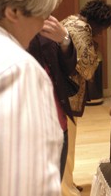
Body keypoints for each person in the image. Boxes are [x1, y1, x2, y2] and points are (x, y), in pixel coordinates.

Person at [0, 0, 63, 195]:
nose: (42, 26)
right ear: (13, 11)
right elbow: (24, 187)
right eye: (42, 15)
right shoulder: (16, 69)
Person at [61, 0, 111, 196]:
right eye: (103, 28)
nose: (102, 32)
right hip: (67, 94)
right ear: (99, 22)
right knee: (67, 144)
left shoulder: (69, 21)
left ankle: (68, 183)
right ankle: (66, 189)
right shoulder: (82, 31)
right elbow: (88, 69)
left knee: (67, 143)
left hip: (61, 91)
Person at [28, 15, 78, 180]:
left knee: (55, 183)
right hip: (29, 129)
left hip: (58, 122)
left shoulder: (47, 25)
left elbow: (67, 69)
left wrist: (64, 40)